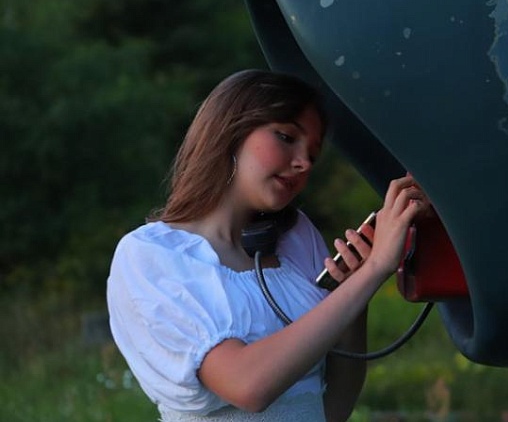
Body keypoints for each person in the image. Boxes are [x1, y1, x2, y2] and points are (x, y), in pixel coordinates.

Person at [106, 69, 429, 421]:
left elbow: (333, 408)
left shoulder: (296, 236)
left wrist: (355, 287)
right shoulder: (150, 256)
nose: (303, 162)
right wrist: (376, 268)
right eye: (287, 137)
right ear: (230, 130)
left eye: (313, 155)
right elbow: (248, 385)